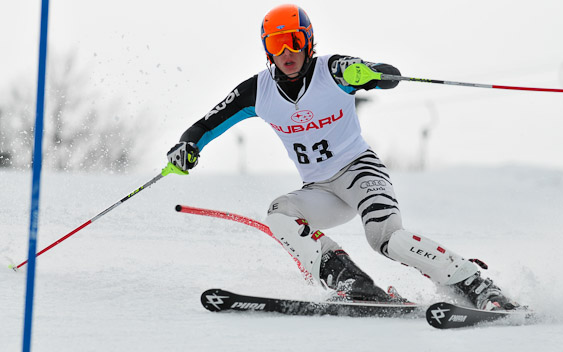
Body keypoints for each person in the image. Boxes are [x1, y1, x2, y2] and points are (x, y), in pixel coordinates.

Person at [167, 4, 519, 310]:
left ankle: (476, 284)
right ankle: (352, 283)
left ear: (308, 41)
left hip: (360, 173)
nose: (287, 51)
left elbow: (388, 76)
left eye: (294, 40)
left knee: (386, 239)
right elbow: (205, 125)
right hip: (320, 190)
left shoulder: (333, 70)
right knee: (280, 213)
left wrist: (369, 73)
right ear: (267, 50)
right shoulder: (257, 91)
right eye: (276, 44)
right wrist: (188, 147)